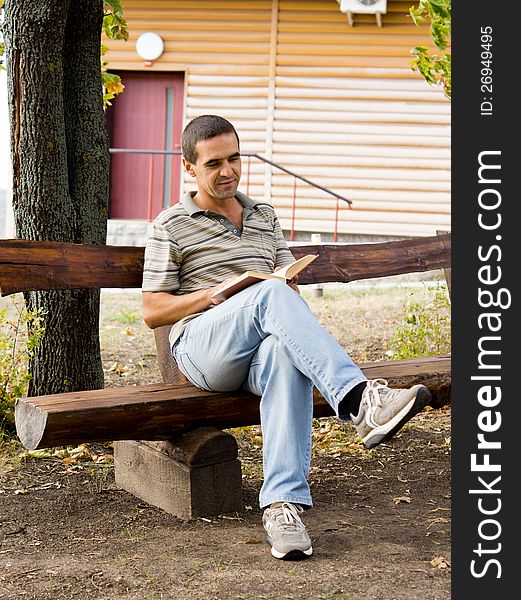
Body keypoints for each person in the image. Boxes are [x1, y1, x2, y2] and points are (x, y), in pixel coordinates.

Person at [141, 115, 431, 561]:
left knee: (282, 351)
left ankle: (282, 508)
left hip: (259, 347)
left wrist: (278, 287)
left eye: (234, 158)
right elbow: (152, 310)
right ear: (189, 168)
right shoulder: (171, 224)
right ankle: (359, 401)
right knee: (268, 294)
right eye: (214, 163)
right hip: (202, 348)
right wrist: (215, 295)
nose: (228, 171)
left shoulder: (264, 216)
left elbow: (284, 285)